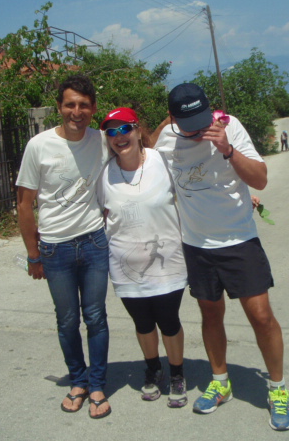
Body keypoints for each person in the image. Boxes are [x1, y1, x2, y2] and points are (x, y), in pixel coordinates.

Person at [154, 83, 289, 431]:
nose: (198, 131)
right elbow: (147, 167)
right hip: (196, 244)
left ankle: (277, 389)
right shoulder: (166, 140)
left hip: (239, 240)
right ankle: (220, 382)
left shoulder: (229, 128)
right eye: (188, 124)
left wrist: (227, 150)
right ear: (172, 119)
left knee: (261, 316)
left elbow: (260, 180)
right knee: (210, 314)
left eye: (202, 121)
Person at [16, 74, 112, 419]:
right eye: (70, 104)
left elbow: (140, 151)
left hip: (94, 241)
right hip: (55, 248)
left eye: (84, 105)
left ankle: (97, 384)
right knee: (68, 320)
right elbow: (24, 204)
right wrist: (33, 255)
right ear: (59, 107)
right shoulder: (38, 146)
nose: (77, 111)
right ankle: (78, 381)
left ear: (93, 109)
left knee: (96, 317)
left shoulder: (102, 141)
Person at [97, 107, 189, 408]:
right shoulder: (104, 173)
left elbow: (192, 190)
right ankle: (153, 368)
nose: (119, 136)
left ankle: (177, 374)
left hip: (167, 261)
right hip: (125, 267)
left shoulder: (161, 161)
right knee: (143, 322)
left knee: (168, 320)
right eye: (112, 132)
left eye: (125, 129)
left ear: (138, 131)